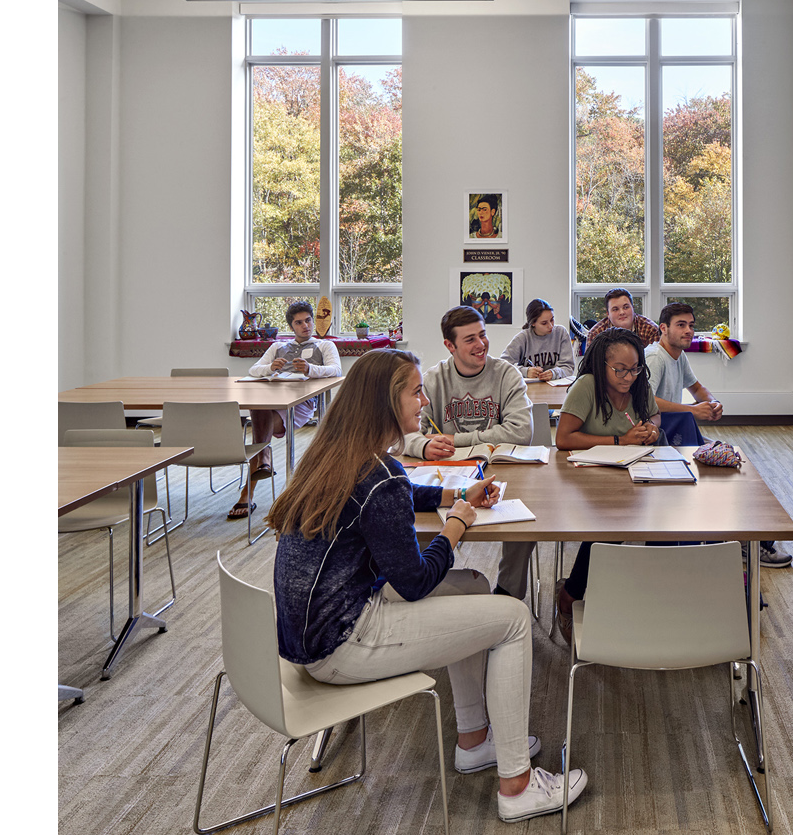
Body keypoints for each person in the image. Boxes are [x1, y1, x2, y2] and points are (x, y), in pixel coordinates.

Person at [265, 349, 587, 822]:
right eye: (415, 392)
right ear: (385, 401)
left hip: (312, 634)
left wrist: (455, 494)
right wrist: (455, 525)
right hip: (342, 644)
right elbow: (415, 582)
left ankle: (475, 740)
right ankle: (517, 786)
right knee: (514, 619)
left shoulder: (338, 456)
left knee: (476, 585)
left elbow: (398, 496)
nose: (423, 401)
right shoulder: (379, 477)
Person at [402, 306, 539, 603]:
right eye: (470, 339)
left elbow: (520, 431)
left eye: (483, 335)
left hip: (503, 471)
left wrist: (455, 438)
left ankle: (508, 595)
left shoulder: (507, 374)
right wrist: (423, 446)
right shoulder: (433, 379)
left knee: (523, 523)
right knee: (415, 518)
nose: (481, 345)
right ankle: (430, 588)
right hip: (447, 475)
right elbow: (407, 432)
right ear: (449, 346)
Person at [644, 302, 793, 569]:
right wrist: (692, 410)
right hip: (663, 439)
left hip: (678, 431)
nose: (688, 331)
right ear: (663, 329)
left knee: (737, 462)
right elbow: (648, 401)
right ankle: (744, 542)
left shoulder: (679, 355)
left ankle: (747, 539)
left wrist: (712, 402)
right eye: (681, 325)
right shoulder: (656, 357)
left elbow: (697, 387)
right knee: (728, 469)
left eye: (691, 325)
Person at [552, 328, 661, 641]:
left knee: (658, 525)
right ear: (602, 366)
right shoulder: (587, 386)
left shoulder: (640, 384)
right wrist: (620, 439)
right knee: (611, 527)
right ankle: (572, 594)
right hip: (588, 478)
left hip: (634, 473)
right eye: (620, 370)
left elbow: (654, 417)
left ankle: (650, 597)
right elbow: (563, 439)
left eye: (635, 368)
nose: (629, 377)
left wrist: (651, 431)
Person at [230, 301, 341, 520]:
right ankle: (262, 458)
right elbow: (254, 370)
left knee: (259, 415)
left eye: (308, 321)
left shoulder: (325, 346)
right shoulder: (277, 347)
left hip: (301, 404)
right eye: (299, 323)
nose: (305, 326)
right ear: (291, 326)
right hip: (273, 400)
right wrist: (271, 368)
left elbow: (336, 370)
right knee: (258, 401)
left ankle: (254, 477)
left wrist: (311, 369)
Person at [502, 299, 575, 382]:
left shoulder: (561, 333)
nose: (551, 326)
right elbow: (503, 366)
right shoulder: (522, 338)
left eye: (552, 320)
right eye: (544, 323)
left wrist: (554, 373)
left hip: (556, 388)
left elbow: (568, 367)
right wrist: (525, 371)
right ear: (533, 323)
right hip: (529, 389)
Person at [582, 288, 660, 346]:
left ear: (633, 308)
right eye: (615, 309)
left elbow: (655, 366)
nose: (622, 312)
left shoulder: (651, 330)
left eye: (626, 307)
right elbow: (590, 366)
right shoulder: (595, 334)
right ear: (608, 314)